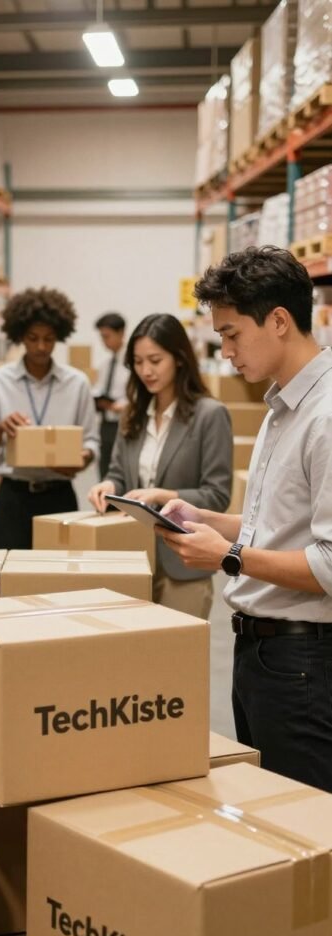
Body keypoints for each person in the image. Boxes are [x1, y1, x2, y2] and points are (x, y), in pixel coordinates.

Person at [157, 246, 332, 791]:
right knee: (274, 814)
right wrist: (205, 517)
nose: (226, 352)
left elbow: (330, 563)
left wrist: (227, 557)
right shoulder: (282, 406)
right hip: (259, 652)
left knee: (307, 828)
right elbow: (275, 523)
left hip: (303, 658)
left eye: (232, 334)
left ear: (279, 321)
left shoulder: (325, 416)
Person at [88, 313, 232, 619]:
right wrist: (109, 486)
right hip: (132, 559)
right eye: (138, 362)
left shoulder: (209, 415)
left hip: (183, 564)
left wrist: (162, 494)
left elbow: (217, 495)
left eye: (155, 360)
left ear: (178, 358)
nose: (146, 371)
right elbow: (118, 473)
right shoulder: (133, 414)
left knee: (175, 662)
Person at [0, 287, 99, 548]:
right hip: (13, 498)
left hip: (60, 497)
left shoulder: (77, 384)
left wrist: (80, 460)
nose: (41, 347)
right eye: (33, 338)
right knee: (12, 581)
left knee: (61, 580)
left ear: (59, 337)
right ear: (20, 336)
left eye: (49, 339)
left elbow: (92, 442)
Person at [93, 312, 129, 478]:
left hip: (124, 423)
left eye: (107, 336)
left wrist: (123, 405)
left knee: (122, 471)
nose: (104, 341)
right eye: (102, 336)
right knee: (104, 470)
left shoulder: (133, 363)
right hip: (105, 423)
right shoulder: (105, 365)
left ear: (121, 333)